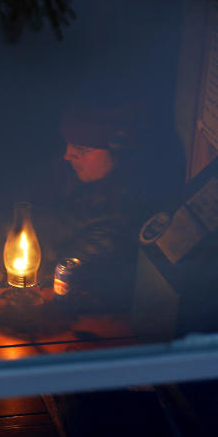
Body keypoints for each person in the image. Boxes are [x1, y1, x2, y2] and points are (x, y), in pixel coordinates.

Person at [37, 99, 184, 312]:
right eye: (68, 143)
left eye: (82, 148)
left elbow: (64, 278)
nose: (67, 154)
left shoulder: (117, 219)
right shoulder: (72, 176)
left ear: (121, 154)